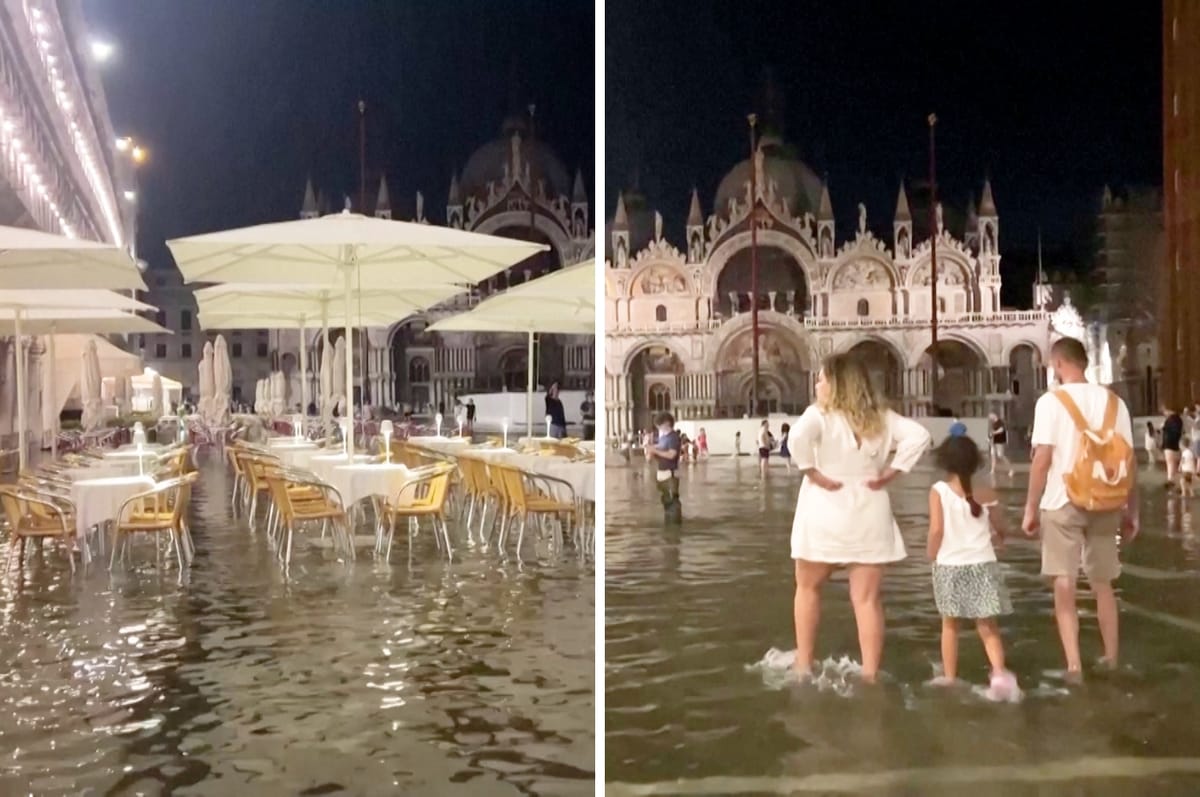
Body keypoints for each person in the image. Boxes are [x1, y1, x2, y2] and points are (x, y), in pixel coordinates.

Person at [788, 352, 932, 682]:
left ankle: (804, 664)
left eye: (822, 378)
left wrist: (812, 472)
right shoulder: (882, 417)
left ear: (837, 383)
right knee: (866, 599)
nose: (817, 383)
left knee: (808, 588)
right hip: (869, 507)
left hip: (825, 506)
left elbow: (796, 439)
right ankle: (869, 674)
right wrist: (891, 473)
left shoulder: (819, 415)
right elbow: (919, 436)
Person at [1022, 336, 1138, 679]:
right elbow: (1128, 461)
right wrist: (1133, 512)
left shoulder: (1051, 402)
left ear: (1059, 364)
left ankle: (1074, 665)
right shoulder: (1115, 403)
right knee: (1103, 583)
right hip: (1106, 502)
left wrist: (1030, 507)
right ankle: (1111, 657)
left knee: (1064, 581)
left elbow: (1042, 459)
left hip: (1063, 500)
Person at [927, 436, 1019, 699]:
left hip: (950, 565)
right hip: (983, 565)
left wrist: (931, 554)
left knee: (950, 625)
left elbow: (936, 530)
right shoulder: (988, 493)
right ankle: (1000, 675)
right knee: (988, 626)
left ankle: (949, 677)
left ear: (945, 462)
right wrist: (1003, 537)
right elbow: (1001, 527)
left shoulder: (939, 491)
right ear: (976, 462)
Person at [645, 412, 682, 522]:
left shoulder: (673, 437)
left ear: (667, 423)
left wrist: (655, 450)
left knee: (672, 504)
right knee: (667, 503)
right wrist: (652, 452)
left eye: (659, 425)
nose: (658, 428)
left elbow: (672, 454)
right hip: (662, 474)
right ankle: (670, 530)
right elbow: (661, 455)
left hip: (670, 474)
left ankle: (674, 531)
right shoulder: (663, 438)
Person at [1162, 404, 1184, 489]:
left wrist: (1164, 428)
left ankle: (1171, 482)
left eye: (1165, 411)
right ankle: (1177, 483)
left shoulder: (1170, 420)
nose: (1164, 413)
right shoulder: (1179, 419)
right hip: (1176, 445)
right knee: (1174, 465)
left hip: (1169, 445)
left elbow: (1169, 433)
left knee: (1170, 465)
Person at [988, 412, 1015, 478]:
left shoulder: (1000, 421)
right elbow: (992, 431)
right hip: (993, 440)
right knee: (993, 455)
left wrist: (994, 433)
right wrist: (989, 438)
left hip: (999, 440)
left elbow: (1001, 430)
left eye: (990, 416)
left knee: (1000, 455)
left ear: (994, 415)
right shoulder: (993, 423)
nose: (990, 418)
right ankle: (992, 470)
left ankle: (1011, 469)